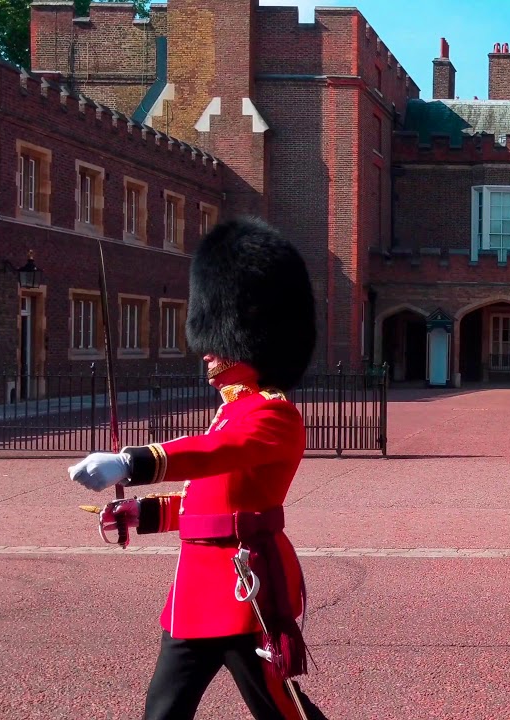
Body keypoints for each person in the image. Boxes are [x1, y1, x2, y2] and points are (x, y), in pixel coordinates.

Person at [67, 217, 326, 720]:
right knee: (162, 710)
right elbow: (206, 499)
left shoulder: (273, 415)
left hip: (244, 585)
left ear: (250, 339)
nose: (206, 350)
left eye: (218, 339)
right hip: (194, 590)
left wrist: (130, 462)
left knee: (281, 710)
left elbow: (212, 454)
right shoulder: (230, 410)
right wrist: (141, 513)